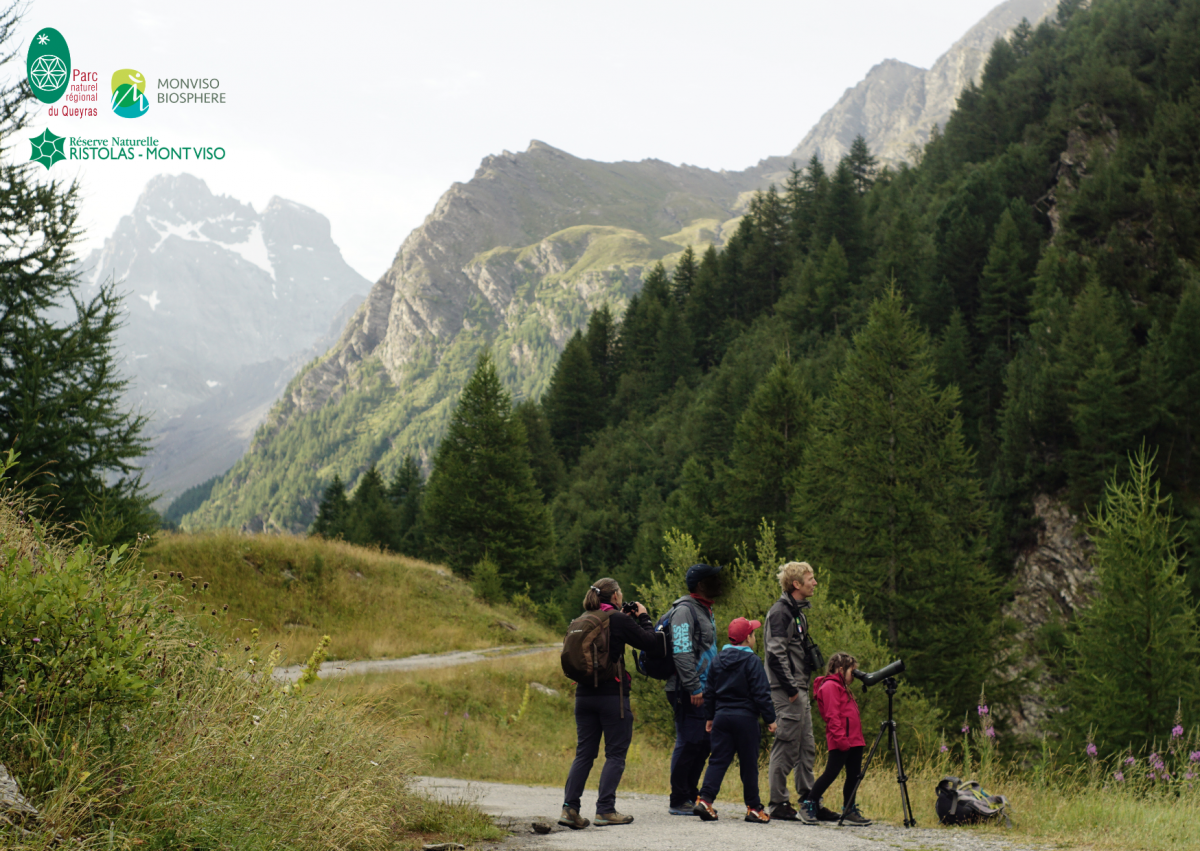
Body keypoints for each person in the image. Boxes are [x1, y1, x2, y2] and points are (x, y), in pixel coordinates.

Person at [559, 577, 658, 830]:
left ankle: (570, 809)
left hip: (584, 695)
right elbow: (652, 643)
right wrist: (644, 617)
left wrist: (623, 618)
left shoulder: (584, 619)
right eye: (620, 593)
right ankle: (605, 810)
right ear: (614, 596)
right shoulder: (617, 620)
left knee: (584, 753)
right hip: (612, 696)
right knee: (615, 753)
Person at [693, 617, 778, 824]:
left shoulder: (717, 660)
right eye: (753, 633)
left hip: (722, 717)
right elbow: (761, 693)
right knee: (748, 765)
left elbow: (710, 692)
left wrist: (710, 717)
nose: (755, 637)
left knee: (718, 760)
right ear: (747, 638)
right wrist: (770, 718)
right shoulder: (752, 661)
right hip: (746, 719)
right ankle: (754, 809)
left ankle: (705, 800)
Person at [764, 560, 823, 823]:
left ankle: (809, 801)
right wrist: (790, 689)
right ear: (796, 583)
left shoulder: (797, 613)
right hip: (787, 690)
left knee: (806, 747)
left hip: (799, 687)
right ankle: (778, 803)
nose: (815, 582)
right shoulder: (780, 613)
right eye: (811, 578)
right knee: (786, 745)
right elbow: (774, 654)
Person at [665, 562, 722, 815]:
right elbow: (681, 649)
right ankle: (678, 799)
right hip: (686, 688)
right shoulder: (684, 611)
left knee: (704, 742)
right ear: (700, 584)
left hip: (704, 688)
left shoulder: (705, 609)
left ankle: (690, 793)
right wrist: (693, 686)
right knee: (689, 741)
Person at [808, 652, 872, 825]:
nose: (855, 675)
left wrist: (855, 739)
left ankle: (849, 809)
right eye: (853, 671)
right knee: (831, 773)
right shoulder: (830, 686)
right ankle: (809, 805)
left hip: (854, 739)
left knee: (854, 776)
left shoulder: (843, 687)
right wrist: (841, 739)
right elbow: (832, 716)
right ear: (841, 669)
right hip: (841, 739)